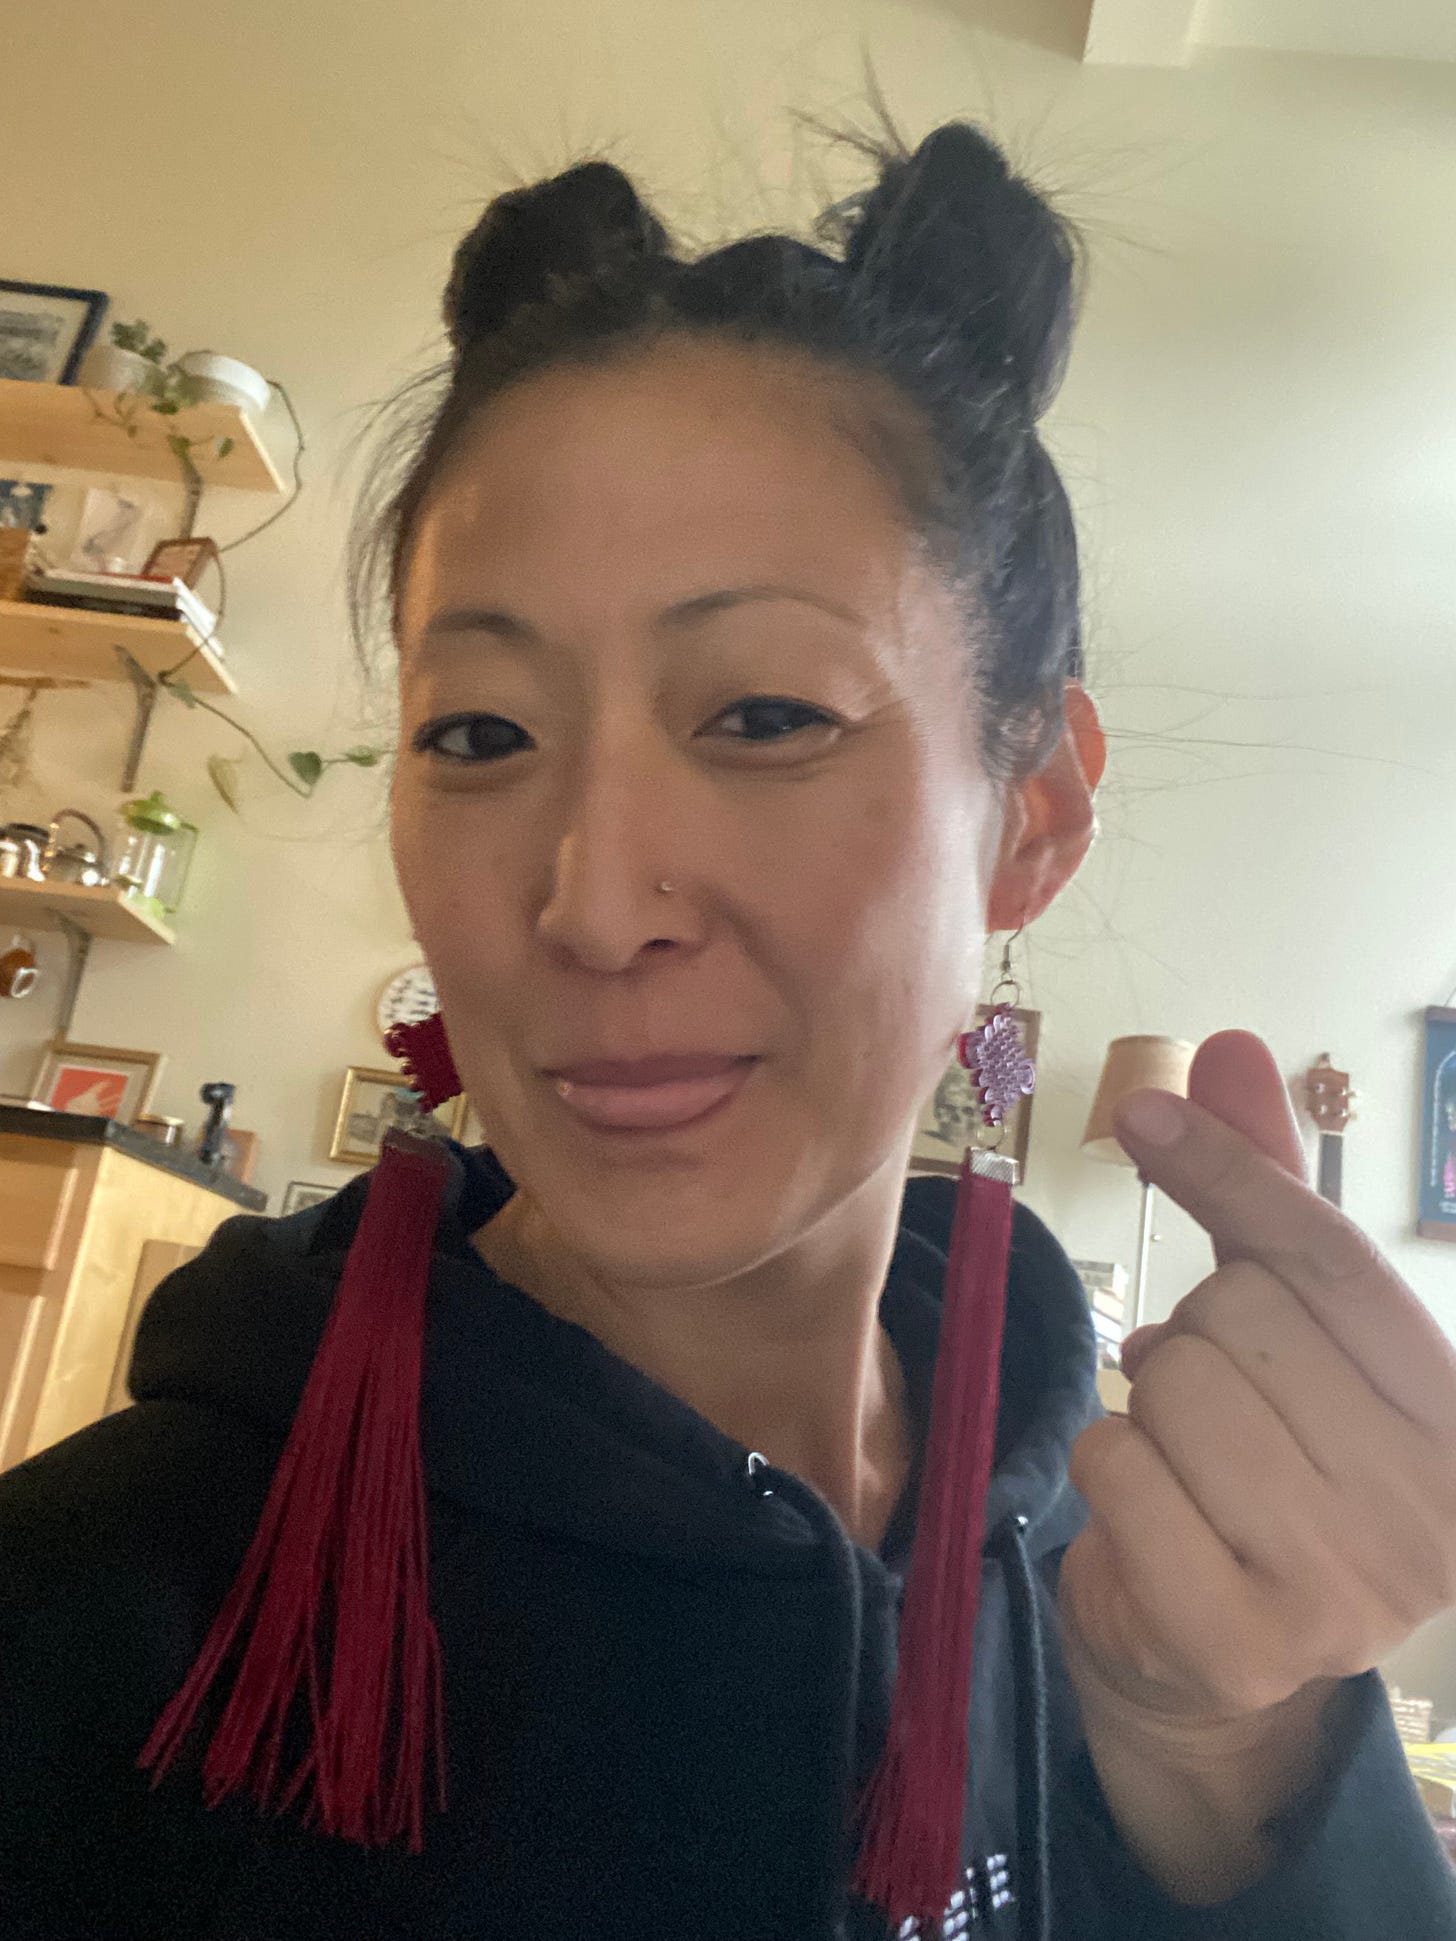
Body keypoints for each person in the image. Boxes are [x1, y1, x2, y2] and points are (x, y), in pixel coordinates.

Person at [2, 119, 1454, 1941]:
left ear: (1033, 815)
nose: (595, 907)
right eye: (479, 732)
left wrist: (1244, 1772)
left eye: (765, 712)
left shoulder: (1147, 1592)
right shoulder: (92, 1618)